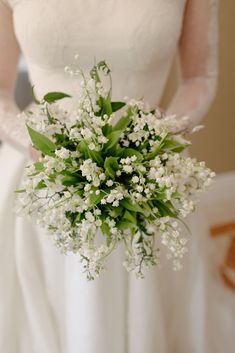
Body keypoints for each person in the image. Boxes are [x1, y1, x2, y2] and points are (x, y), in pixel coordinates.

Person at [0, 1, 229, 353]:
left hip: (150, 177)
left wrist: (155, 139)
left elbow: (200, 77)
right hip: (41, 183)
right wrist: (40, 148)